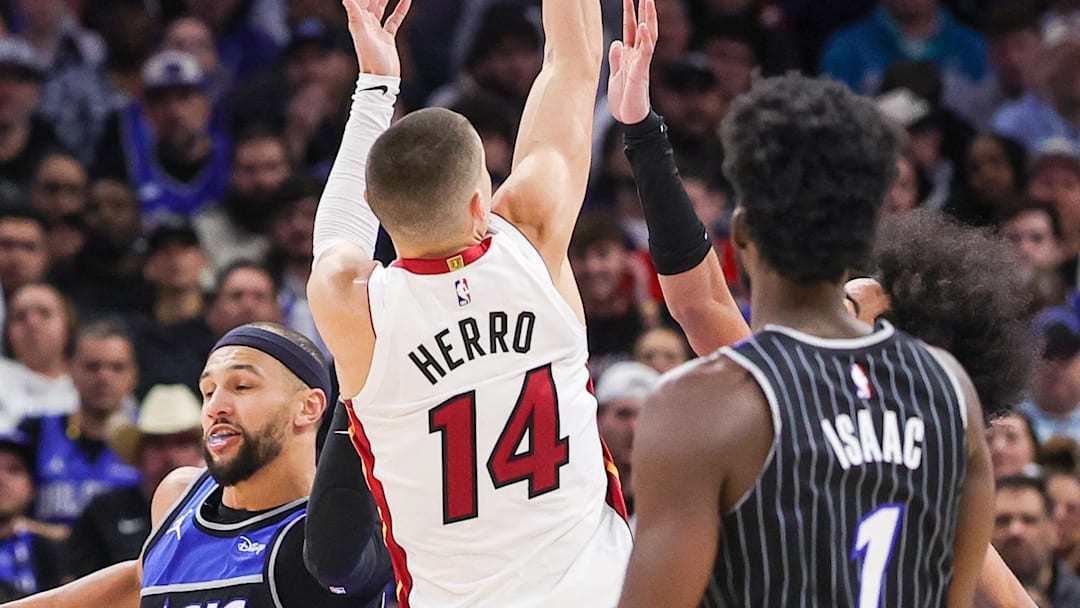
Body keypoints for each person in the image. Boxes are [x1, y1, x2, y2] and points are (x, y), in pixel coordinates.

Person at [608, 3, 992, 607]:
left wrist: (640, 131)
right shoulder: (950, 393)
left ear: (742, 235)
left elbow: (701, 300)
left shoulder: (709, 404)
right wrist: (642, 130)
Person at [305, 0, 632, 605]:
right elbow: (575, 63)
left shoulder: (355, 310)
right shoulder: (531, 237)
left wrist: (376, 83)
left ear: (381, 212)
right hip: (604, 590)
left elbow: (337, 237)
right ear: (482, 202)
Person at [6, 322, 390, 608]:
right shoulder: (178, 493)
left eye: (242, 387)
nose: (216, 406)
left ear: (309, 407)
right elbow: (142, 579)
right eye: (208, 390)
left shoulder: (332, 538)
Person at [63, 384, 204, 577]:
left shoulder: (223, 511)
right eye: (157, 443)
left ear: (201, 452)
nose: (170, 455)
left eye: (182, 443)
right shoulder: (103, 512)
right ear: (139, 454)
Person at [993, 475, 1080, 606]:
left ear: (1052, 528)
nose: (1015, 531)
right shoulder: (961, 596)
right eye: (1003, 521)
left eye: (1028, 520)